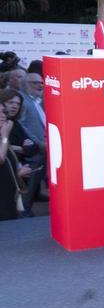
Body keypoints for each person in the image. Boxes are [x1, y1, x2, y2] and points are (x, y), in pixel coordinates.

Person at [0, 88, 35, 221]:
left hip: (7, 195)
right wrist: (4, 136)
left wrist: (17, 172)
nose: (3, 115)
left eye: (3, 112)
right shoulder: (4, 135)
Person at [16, 71, 45, 216]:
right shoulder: (23, 100)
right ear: (25, 84)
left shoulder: (36, 100)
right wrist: (38, 142)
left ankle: (29, 205)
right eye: (35, 82)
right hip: (33, 150)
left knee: (36, 181)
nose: (40, 85)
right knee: (29, 183)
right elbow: (22, 125)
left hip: (40, 148)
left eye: (41, 82)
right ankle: (24, 213)